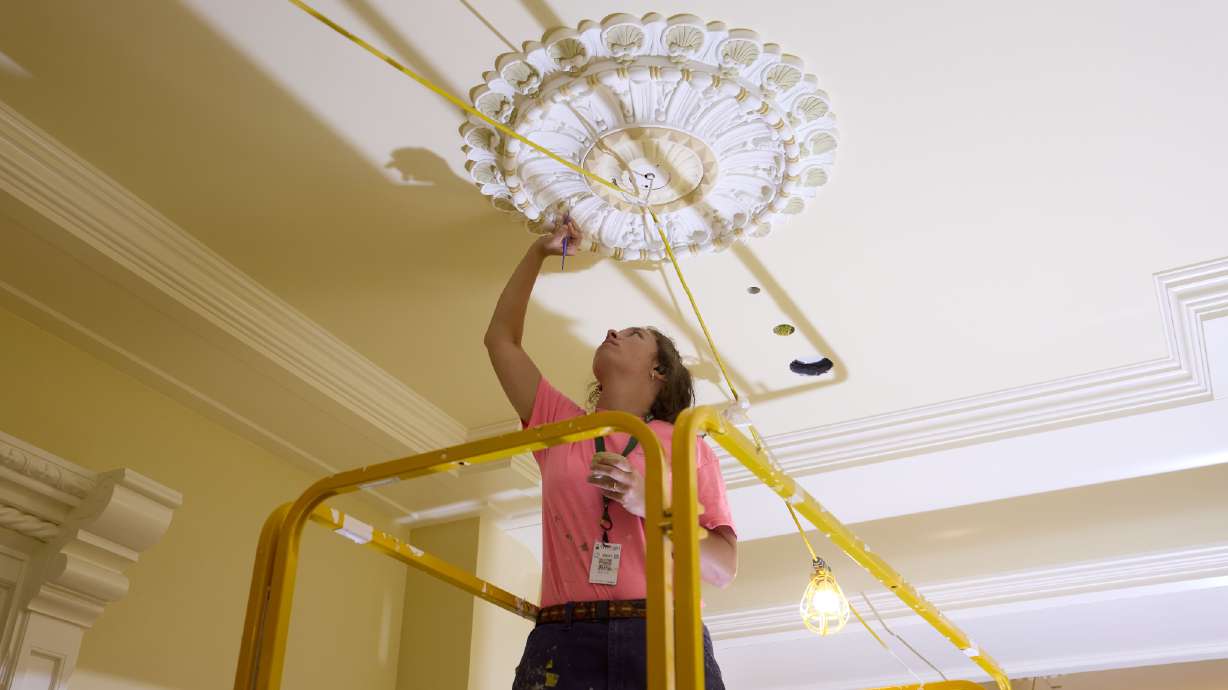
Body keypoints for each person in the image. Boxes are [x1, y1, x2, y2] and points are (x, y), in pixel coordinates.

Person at [485, 216, 738, 690]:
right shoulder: (562, 425)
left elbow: (723, 568)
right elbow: (501, 341)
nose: (613, 331)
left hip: (663, 632)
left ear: (660, 371)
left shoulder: (687, 441)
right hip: (563, 636)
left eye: (635, 334)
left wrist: (655, 509)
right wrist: (538, 252)